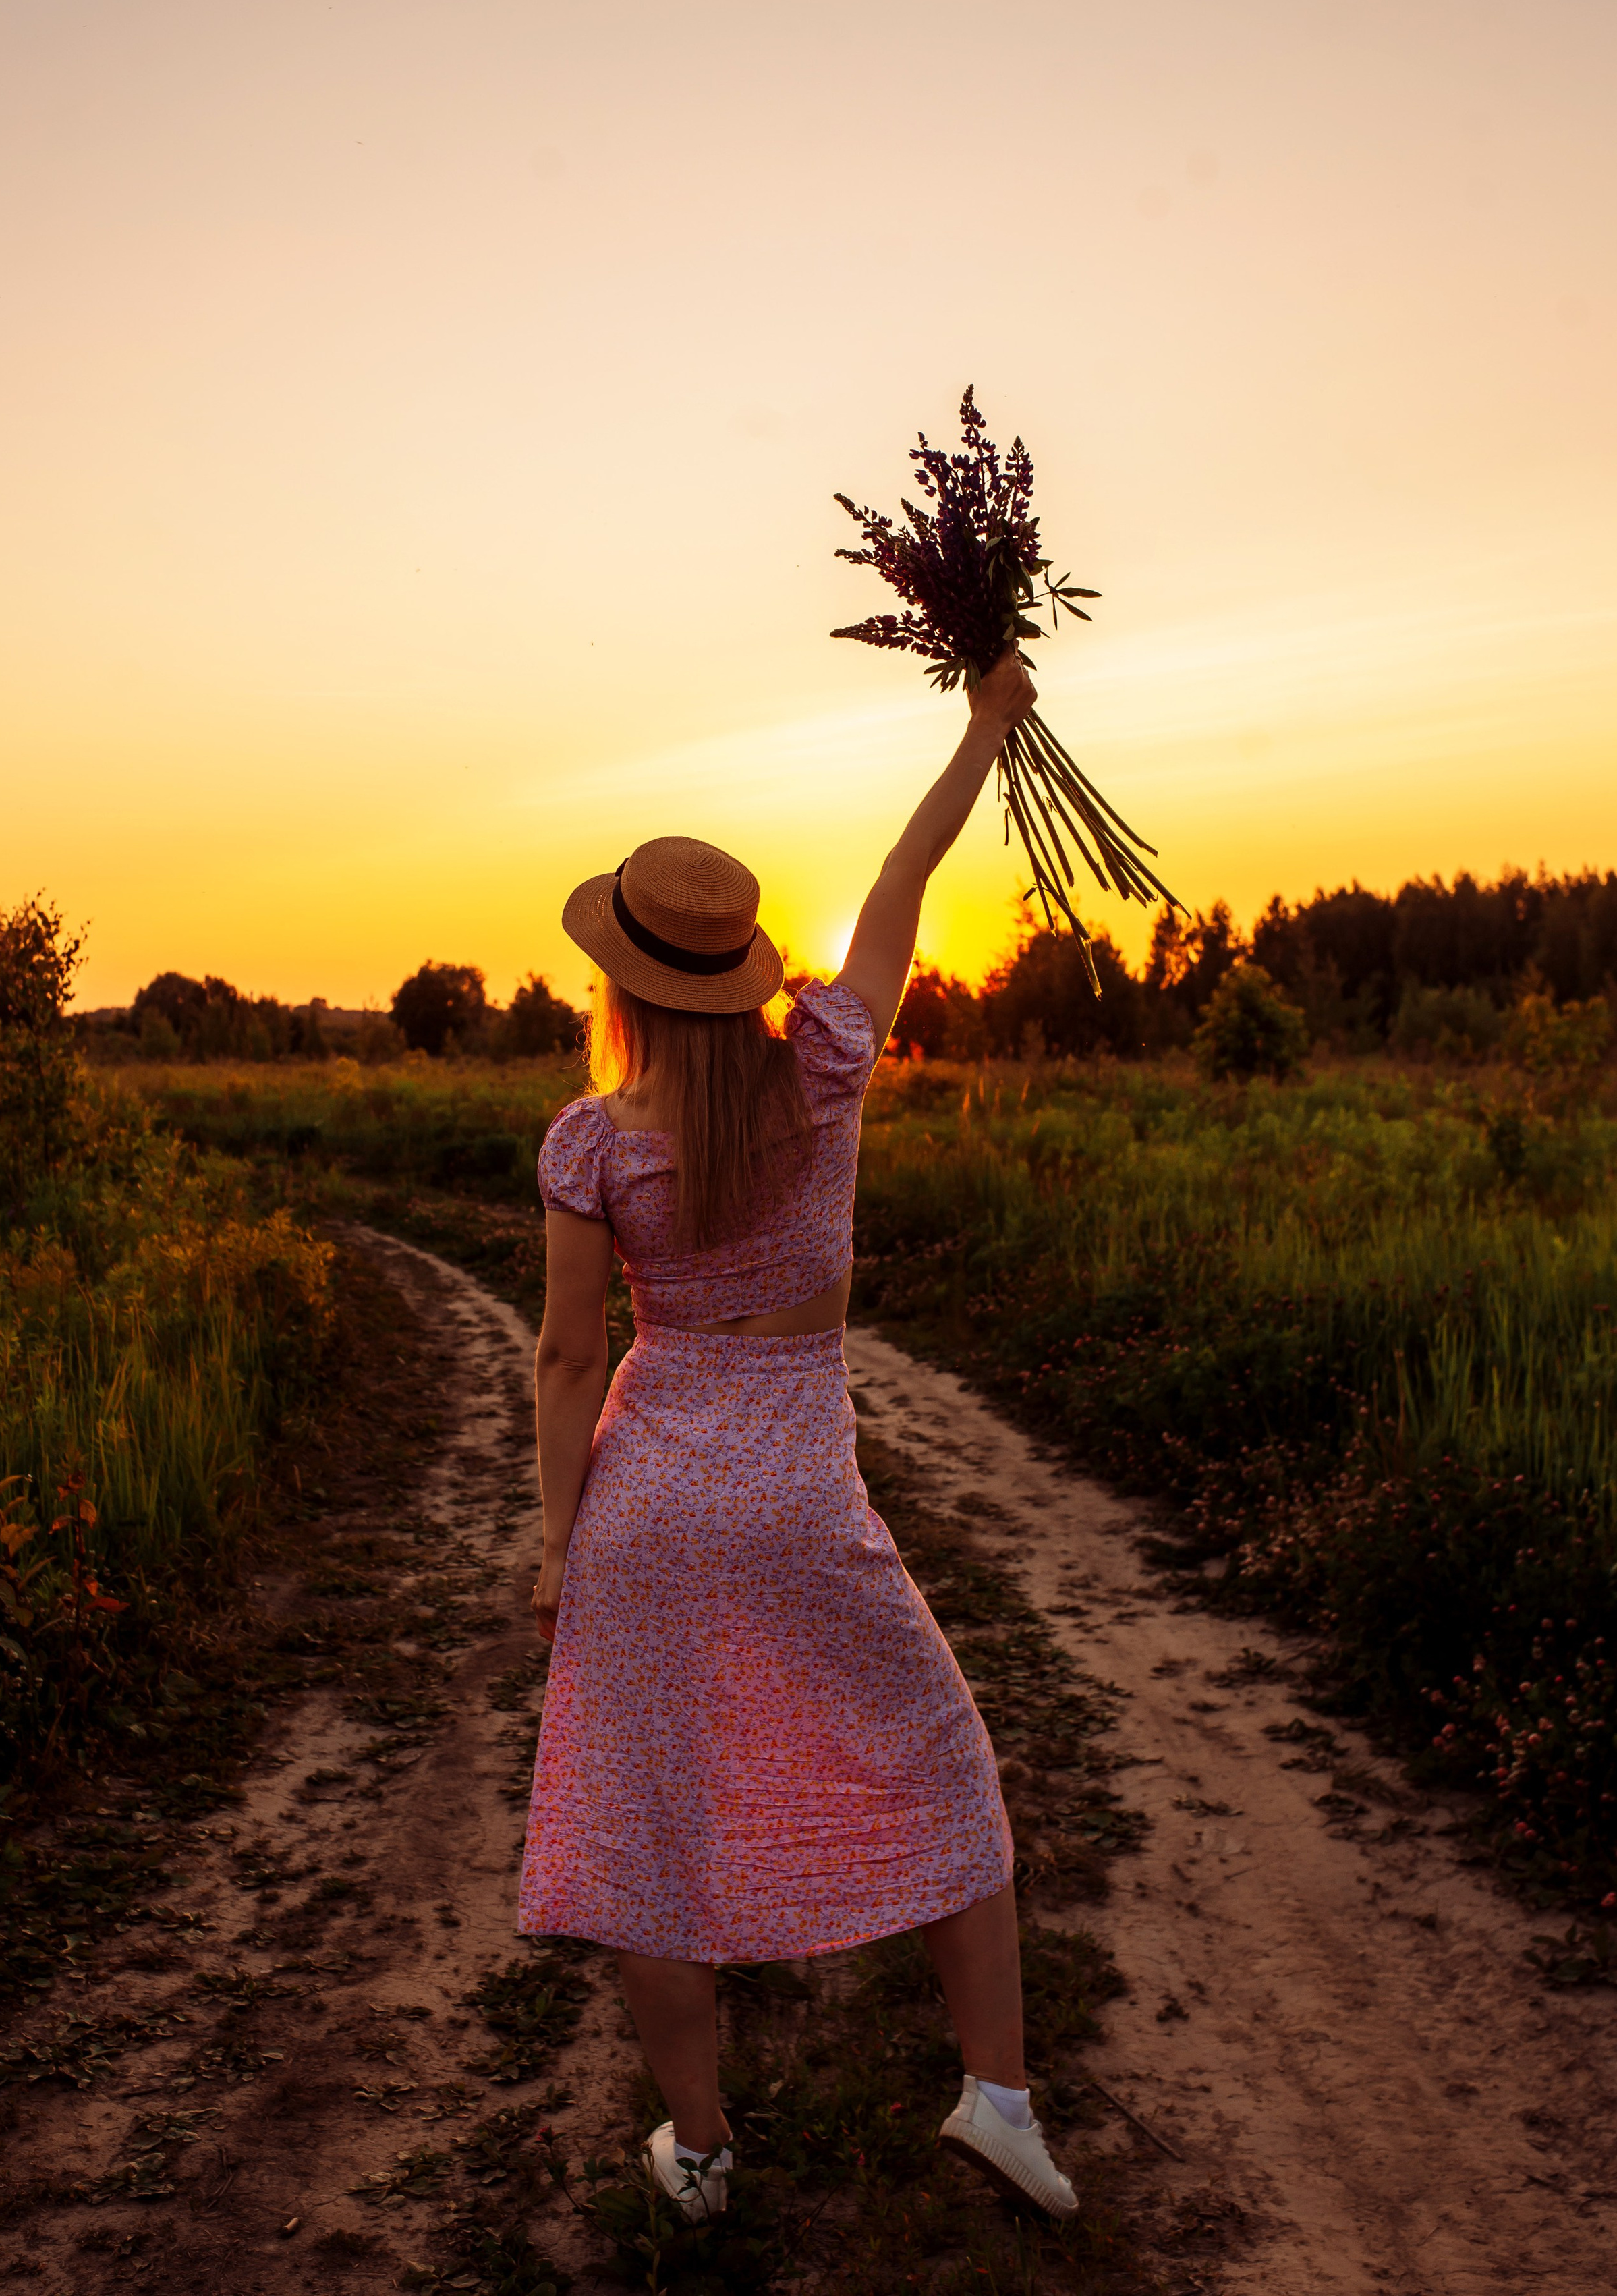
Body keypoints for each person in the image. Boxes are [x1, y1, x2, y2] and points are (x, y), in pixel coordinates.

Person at [517, 650, 1075, 2226]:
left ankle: (694, 2151)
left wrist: (558, 1545)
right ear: (743, 969)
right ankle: (999, 2099)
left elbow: (569, 1352)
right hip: (795, 1485)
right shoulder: (826, 1070)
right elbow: (907, 872)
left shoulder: (588, 1141)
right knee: (947, 1768)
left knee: (649, 1819)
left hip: (646, 1490)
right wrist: (983, 724)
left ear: (618, 982)